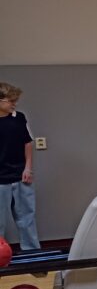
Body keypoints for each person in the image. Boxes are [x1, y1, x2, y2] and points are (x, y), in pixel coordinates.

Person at [0, 82, 40, 252]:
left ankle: (33, 253)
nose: (15, 104)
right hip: (0, 181)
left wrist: (28, 168)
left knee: (27, 219)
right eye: (11, 101)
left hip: (21, 176)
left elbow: (27, 143)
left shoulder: (20, 118)